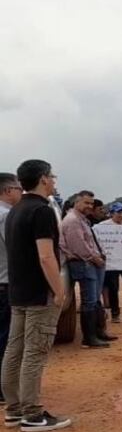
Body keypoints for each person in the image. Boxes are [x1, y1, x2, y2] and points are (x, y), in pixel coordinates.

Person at [2, 159, 72, 432]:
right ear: (43, 178)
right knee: (35, 353)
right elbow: (46, 256)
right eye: (52, 176)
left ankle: (14, 410)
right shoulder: (42, 211)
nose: (54, 181)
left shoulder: (15, 210)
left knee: (14, 351)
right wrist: (59, 290)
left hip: (18, 292)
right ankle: (32, 415)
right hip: (39, 294)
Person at [60, 190, 116, 348]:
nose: (89, 206)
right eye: (86, 202)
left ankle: (98, 333)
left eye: (91, 203)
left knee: (95, 299)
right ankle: (89, 339)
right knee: (89, 300)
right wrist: (95, 258)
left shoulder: (81, 219)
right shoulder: (72, 220)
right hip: (84, 263)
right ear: (76, 202)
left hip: (90, 263)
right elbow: (79, 246)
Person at [0, 173, 23, 406]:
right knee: (6, 337)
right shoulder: (6, 216)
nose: (21, 193)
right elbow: (16, 251)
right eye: (18, 189)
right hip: (6, 283)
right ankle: (3, 389)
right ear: (8, 191)